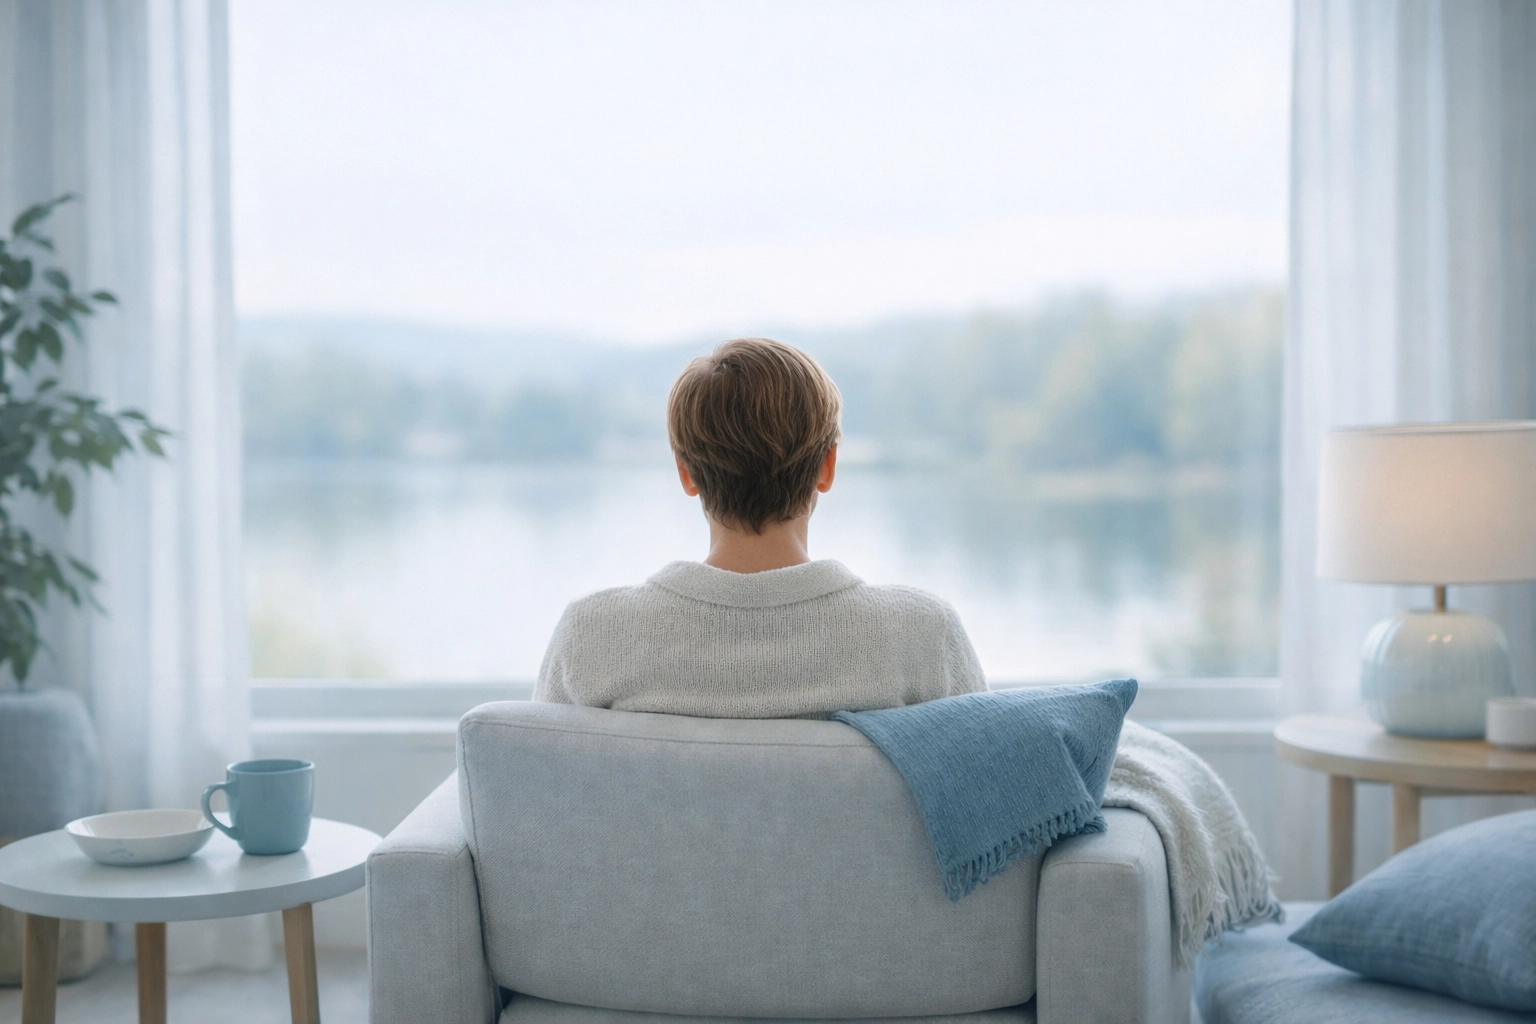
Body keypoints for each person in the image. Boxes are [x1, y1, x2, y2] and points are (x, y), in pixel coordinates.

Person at [533, 337, 985, 718]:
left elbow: (536, 784)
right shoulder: (923, 636)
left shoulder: (591, 637)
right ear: (827, 467)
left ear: (686, 473)